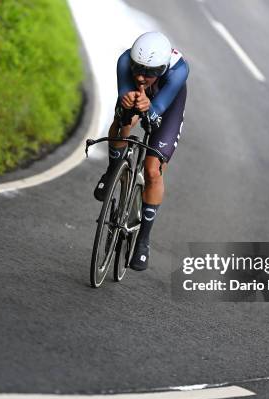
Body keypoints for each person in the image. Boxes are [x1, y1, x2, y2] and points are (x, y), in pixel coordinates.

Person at [94, 31, 189, 271]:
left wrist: (150, 108)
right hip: (142, 102)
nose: (140, 77)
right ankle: (113, 170)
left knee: (152, 170)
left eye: (149, 73)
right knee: (124, 120)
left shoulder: (179, 70)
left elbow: (156, 112)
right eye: (137, 68)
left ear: (163, 69)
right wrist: (128, 102)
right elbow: (125, 105)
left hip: (167, 104)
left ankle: (143, 241)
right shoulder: (124, 61)